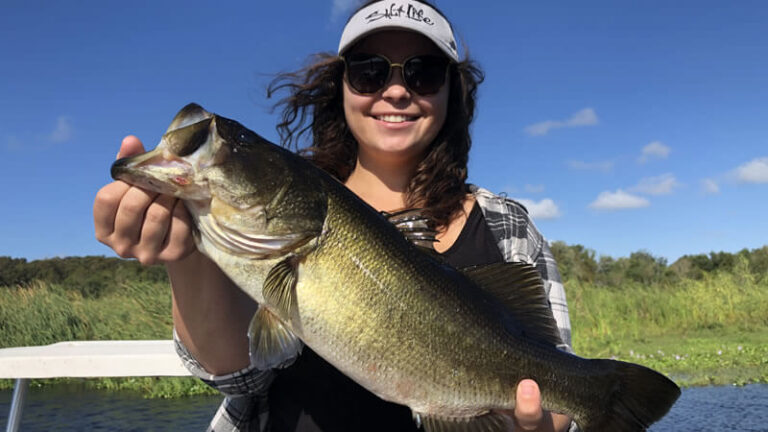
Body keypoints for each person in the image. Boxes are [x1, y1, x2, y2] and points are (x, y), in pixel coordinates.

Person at [94, 1, 576, 431]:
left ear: (453, 93)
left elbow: (559, 382)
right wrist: (186, 257)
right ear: (340, 87)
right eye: (369, 71)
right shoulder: (246, 231)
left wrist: (545, 423)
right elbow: (238, 374)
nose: (395, 91)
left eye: (422, 73)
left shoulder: (507, 225)